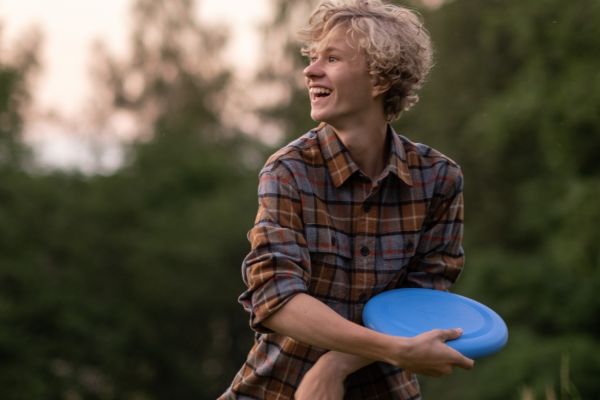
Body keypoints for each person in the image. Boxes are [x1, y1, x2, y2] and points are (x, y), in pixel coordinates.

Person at [220, 0, 473, 398]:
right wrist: (396, 349)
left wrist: (334, 364)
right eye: (313, 57)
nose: (310, 70)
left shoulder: (439, 179)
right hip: (279, 388)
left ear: (380, 80)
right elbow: (276, 297)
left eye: (332, 58)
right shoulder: (288, 171)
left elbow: (423, 301)